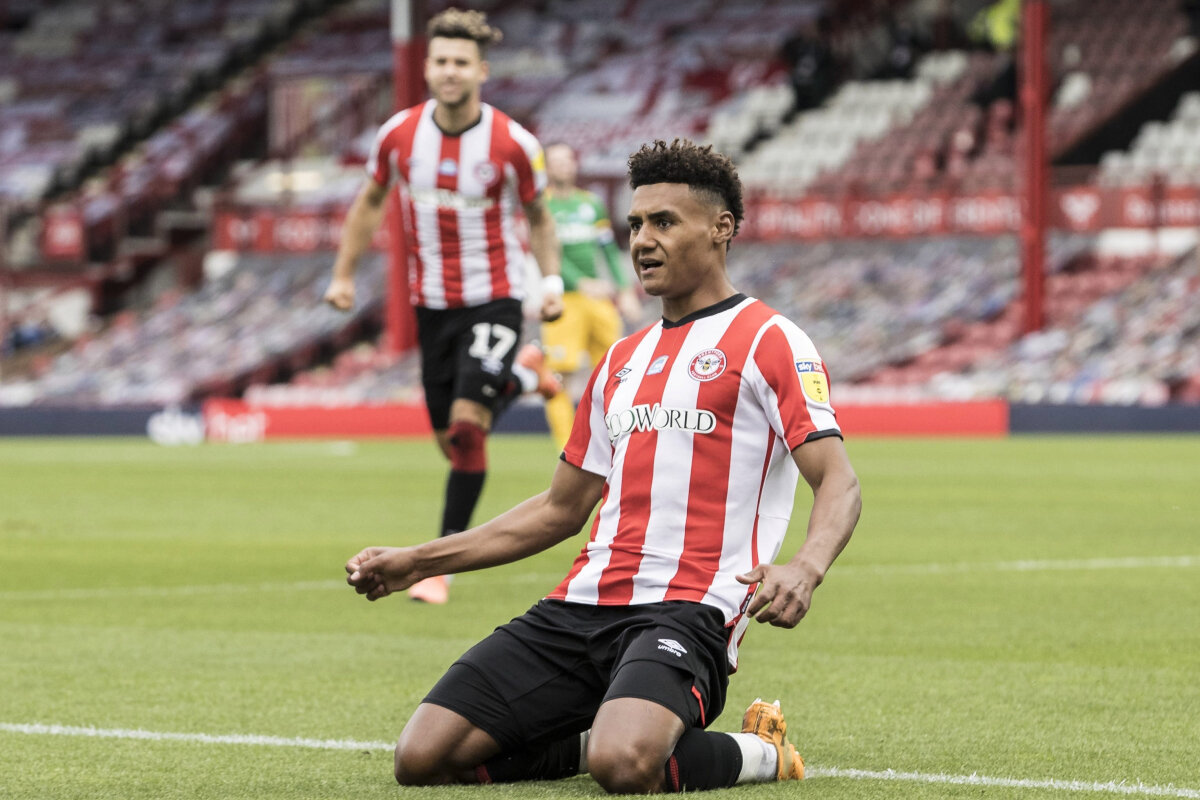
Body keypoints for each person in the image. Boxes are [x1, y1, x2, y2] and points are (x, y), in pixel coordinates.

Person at [345, 139, 862, 793]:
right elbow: (559, 509)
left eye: (664, 222)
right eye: (636, 225)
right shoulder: (620, 360)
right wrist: (420, 561)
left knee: (625, 767)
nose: (643, 241)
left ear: (721, 227)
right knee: (422, 758)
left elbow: (838, 479)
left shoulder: (769, 339)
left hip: (688, 609)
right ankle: (603, 732)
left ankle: (761, 751)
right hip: (581, 606)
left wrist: (806, 568)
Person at [324, 8, 563, 605]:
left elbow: (539, 216)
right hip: (432, 305)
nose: (450, 71)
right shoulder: (399, 136)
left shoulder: (513, 143)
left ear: (481, 70)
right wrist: (344, 274)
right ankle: (523, 378)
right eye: (440, 61)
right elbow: (370, 201)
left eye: (461, 62)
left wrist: (550, 281)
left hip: (495, 297)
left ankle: (438, 563)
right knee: (451, 443)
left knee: (466, 428)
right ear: (426, 68)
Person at [539, 141, 642, 449]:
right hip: (563, 300)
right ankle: (567, 449)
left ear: (574, 164)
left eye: (567, 159)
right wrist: (580, 282)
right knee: (560, 376)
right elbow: (545, 250)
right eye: (555, 161)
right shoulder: (541, 206)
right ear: (546, 168)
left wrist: (625, 290)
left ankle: (615, 440)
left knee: (615, 371)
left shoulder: (591, 204)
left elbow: (608, 250)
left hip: (597, 300)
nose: (562, 165)